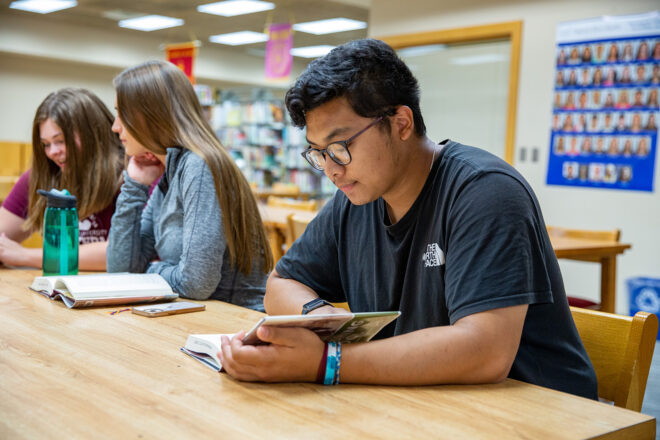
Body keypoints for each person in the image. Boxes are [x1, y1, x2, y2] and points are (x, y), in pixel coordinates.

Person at [219, 39, 598, 400]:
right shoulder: (356, 197)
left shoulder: (485, 192)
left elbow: (485, 351)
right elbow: (282, 282)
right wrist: (323, 320)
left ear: (401, 123)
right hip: (423, 399)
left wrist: (326, 361)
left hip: (534, 411)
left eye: (341, 147)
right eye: (318, 153)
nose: (331, 170)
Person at [106, 60, 272, 311]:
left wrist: (150, 270)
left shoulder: (199, 166)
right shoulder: (171, 170)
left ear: (151, 115)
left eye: (122, 114)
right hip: (200, 320)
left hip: (232, 325)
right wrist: (133, 186)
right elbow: (121, 270)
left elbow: (196, 283)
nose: (115, 126)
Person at [0, 88, 124, 270]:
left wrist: (26, 255)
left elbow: (121, 252)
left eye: (61, 140)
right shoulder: (40, 176)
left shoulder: (131, 175)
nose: (52, 152)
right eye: (46, 144)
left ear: (92, 135)